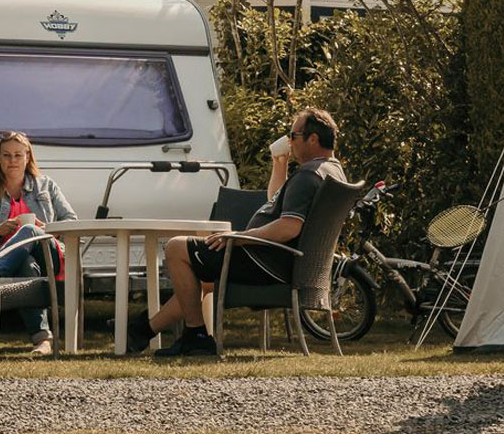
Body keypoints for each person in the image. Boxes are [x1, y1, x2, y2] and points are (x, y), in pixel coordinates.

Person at [133, 107, 348, 358]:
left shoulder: (307, 175)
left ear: (313, 139)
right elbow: (276, 202)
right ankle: (141, 331)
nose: (289, 141)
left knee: (176, 248)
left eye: (293, 135)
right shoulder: (330, 171)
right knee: (199, 283)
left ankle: (196, 337)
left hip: (267, 261)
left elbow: (289, 227)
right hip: (288, 262)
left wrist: (239, 239)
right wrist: (279, 164)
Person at [0, 131, 76, 356]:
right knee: (25, 263)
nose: (12, 160)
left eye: (18, 155)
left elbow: (72, 221)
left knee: (29, 230)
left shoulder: (46, 186)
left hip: (51, 254)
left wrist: (46, 228)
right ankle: (43, 340)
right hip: (17, 259)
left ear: (27, 157)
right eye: (6, 155)